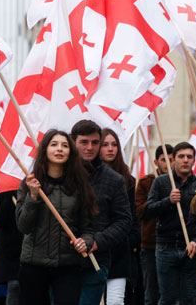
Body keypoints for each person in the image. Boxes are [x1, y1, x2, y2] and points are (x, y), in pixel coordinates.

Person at [15, 130, 96, 305]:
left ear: (70, 152)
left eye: (65, 145)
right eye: (54, 144)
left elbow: (87, 228)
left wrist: (85, 242)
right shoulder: (29, 183)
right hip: (33, 265)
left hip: (68, 266)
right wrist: (33, 197)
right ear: (45, 150)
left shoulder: (80, 186)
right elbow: (23, 226)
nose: (59, 149)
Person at [71, 120, 132, 305]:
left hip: (96, 260)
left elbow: (124, 220)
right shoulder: (61, 175)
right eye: (84, 142)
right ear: (73, 142)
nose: (90, 147)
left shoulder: (114, 180)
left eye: (95, 142)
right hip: (61, 262)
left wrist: (98, 242)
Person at [146, 142, 196, 305]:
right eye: (181, 156)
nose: (185, 160)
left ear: (194, 160)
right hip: (166, 247)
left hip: (190, 248)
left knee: (188, 299)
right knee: (167, 298)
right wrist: (168, 201)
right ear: (174, 160)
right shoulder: (161, 182)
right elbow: (148, 210)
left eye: (189, 157)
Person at [100, 128, 141, 305]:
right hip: (95, 247)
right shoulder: (86, 177)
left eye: (114, 144)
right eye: (105, 144)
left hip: (119, 251)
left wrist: (131, 240)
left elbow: (131, 215)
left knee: (116, 301)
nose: (110, 149)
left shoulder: (127, 179)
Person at [135, 144, 173, 305]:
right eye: (165, 160)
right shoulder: (146, 182)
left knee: (171, 292)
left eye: (171, 160)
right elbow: (140, 211)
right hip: (151, 245)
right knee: (151, 291)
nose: (169, 164)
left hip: (172, 244)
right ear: (156, 162)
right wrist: (162, 201)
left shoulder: (180, 182)